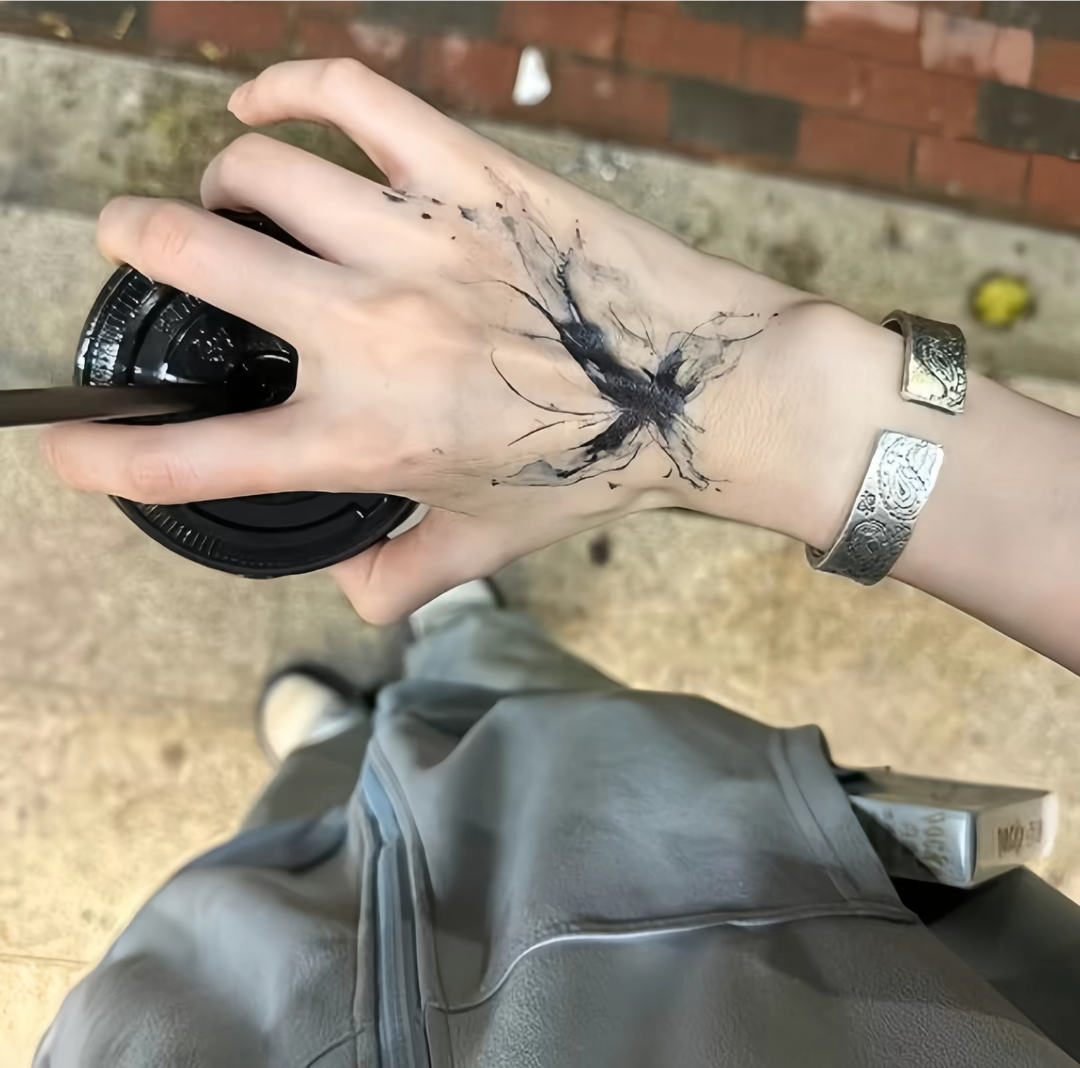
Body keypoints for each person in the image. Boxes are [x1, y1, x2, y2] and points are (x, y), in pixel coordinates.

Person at [34, 57, 1080, 1067]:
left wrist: (756, 395)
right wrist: (781, 398)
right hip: (743, 881)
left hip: (222, 1002)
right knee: (533, 713)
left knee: (296, 836)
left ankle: (340, 747)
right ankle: (456, 660)